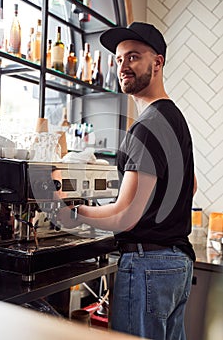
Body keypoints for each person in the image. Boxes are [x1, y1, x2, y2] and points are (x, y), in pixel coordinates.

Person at [58, 22, 197, 340]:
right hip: (174, 266)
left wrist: (71, 212)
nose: (123, 66)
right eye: (119, 60)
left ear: (157, 62)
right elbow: (191, 187)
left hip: (149, 265)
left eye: (133, 57)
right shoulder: (174, 118)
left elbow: (125, 215)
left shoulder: (148, 127)